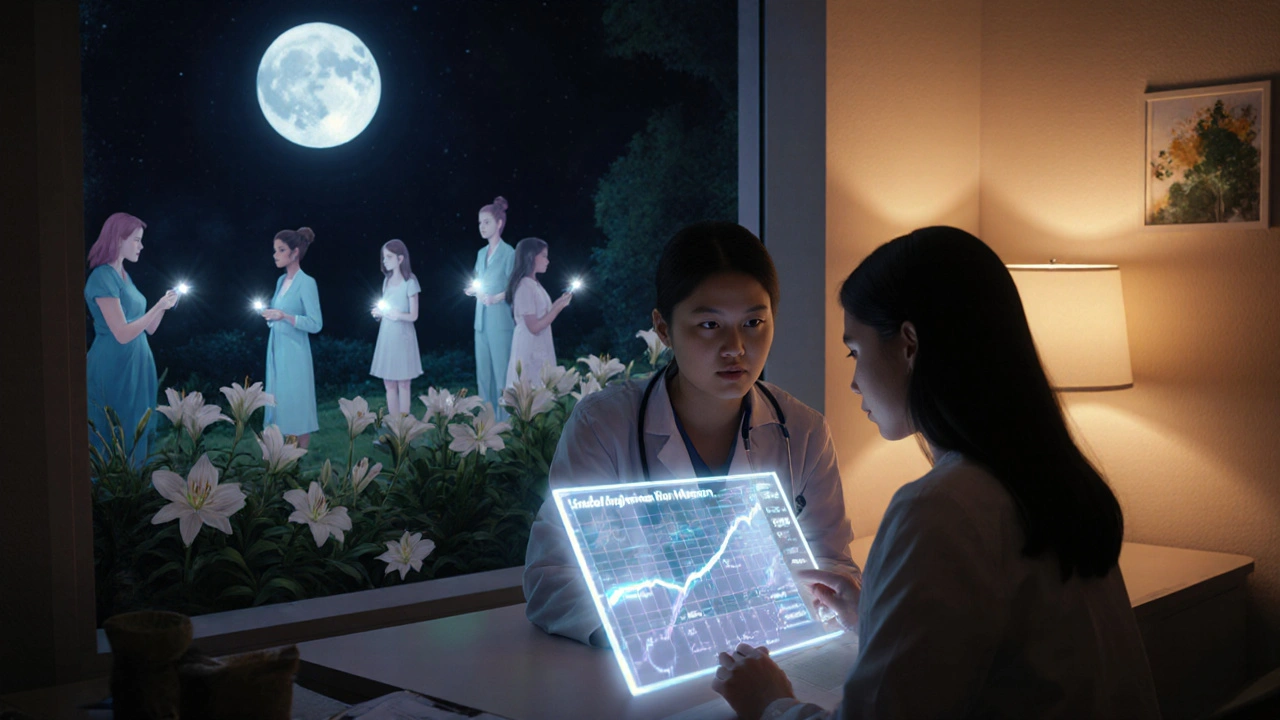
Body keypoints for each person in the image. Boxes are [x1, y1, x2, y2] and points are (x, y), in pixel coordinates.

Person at [711, 227, 1160, 720]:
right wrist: (876, 617)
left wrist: (768, 702)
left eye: (855, 351)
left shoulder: (938, 509)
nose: (855, 382)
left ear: (909, 345)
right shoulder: (1049, 482)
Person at [523, 221, 858, 647]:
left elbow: (833, 566)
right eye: (709, 325)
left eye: (754, 322)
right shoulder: (603, 426)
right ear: (663, 328)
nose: (736, 347)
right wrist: (658, 637)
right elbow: (551, 578)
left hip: (772, 660)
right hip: (650, 664)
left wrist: (832, 602)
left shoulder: (804, 432)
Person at [85, 212, 179, 466]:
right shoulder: (103, 277)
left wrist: (164, 306)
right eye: (136, 240)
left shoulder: (125, 275)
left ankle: (135, 484)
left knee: (137, 428)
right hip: (114, 364)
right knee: (113, 429)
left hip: (138, 365)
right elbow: (122, 333)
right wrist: (157, 306)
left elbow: (150, 329)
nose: (141, 246)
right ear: (118, 239)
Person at [261, 227, 323, 449]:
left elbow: (315, 323)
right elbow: (277, 312)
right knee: (278, 403)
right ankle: (277, 459)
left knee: (296, 407)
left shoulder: (306, 282)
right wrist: (271, 316)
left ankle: (298, 460)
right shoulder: (281, 281)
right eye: (275, 250)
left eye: (281, 250)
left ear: (295, 252)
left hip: (295, 354)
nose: (275, 255)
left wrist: (285, 316)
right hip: (277, 350)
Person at [464, 196, 516, 417]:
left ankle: (506, 421)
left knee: (502, 373)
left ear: (499, 223)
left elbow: (515, 287)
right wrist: (473, 290)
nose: (482, 227)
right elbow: (478, 280)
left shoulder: (509, 253)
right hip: (481, 321)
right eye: (479, 223)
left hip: (500, 321)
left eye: (486, 222)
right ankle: (487, 420)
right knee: (484, 374)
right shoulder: (480, 253)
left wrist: (497, 297)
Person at [504, 237, 572, 387]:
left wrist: (559, 303)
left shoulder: (534, 284)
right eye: (544, 256)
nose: (547, 261)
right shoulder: (525, 286)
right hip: (529, 346)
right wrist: (558, 308)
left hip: (539, 343)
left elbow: (543, 314)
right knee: (531, 389)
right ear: (531, 256)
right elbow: (534, 326)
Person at [370, 239, 424, 417]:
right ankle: (393, 423)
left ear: (400, 259)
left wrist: (397, 314)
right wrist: (380, 313)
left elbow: (414, 315)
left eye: (389, 257)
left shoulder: (410, 282)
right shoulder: (386, 281)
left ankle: (404, 423)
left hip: (403, 335)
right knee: (389, 382)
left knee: (403, 382)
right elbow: (386, 308)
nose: (384, 261)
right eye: (383, 257)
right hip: (387, 335)